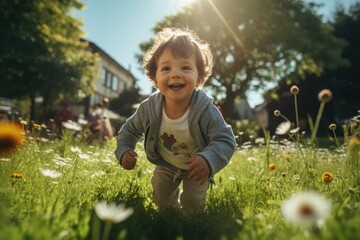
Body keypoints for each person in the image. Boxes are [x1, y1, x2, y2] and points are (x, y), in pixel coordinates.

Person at [115, 28, 236, 214]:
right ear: (155, 78)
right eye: (166, 68)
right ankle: (171, 216)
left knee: (193, 207)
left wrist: (208, 159)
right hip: (166, 164)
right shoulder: (149, 107)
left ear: (199, 77)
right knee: (161, 200)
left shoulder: (205, 109)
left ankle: (189, 221)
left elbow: (225, 140)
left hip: (196, 167)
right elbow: (130, 130)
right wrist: (124, 151)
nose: (175, 74)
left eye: (185, 67)